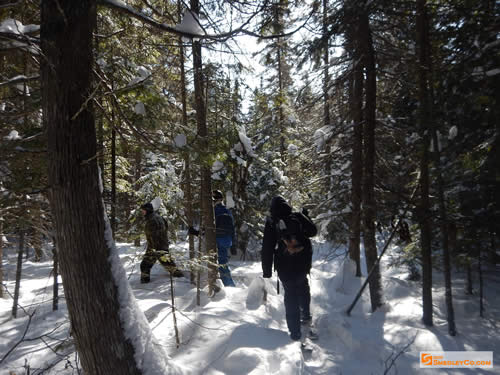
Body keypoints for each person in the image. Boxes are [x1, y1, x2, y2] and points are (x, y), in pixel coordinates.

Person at [261, 196, 317, 341]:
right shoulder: (297, 216)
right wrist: (306, 216)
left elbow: (267, 248)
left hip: (284, 265)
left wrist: (266, 271)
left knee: (290, 294)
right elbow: (313, 231)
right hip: (302, 262)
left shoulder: (272, 223)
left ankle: (295, 332)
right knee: (303, 287)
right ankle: (305, 315)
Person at [140, 202, 183, 283]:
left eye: (143, 210)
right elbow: (165, 228)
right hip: (161, 246)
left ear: (148, 210)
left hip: (156, 248)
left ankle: (144, 284)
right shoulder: (158, 217)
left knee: (145, 265)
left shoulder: (152, 221)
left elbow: (154, 237)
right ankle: (180, 277)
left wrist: (154, 251)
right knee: (169, 265)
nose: (142, 212)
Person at [212, 190, 236, 287]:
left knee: (220, 263)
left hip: (217, 239)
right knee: (222, 262)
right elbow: (232, 228)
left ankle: (229, 285)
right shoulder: (227, 210)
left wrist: (196, 232)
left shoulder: (213, 211)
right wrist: (233, 244)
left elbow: (207, 228)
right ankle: (225, 283)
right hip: (226, 240)